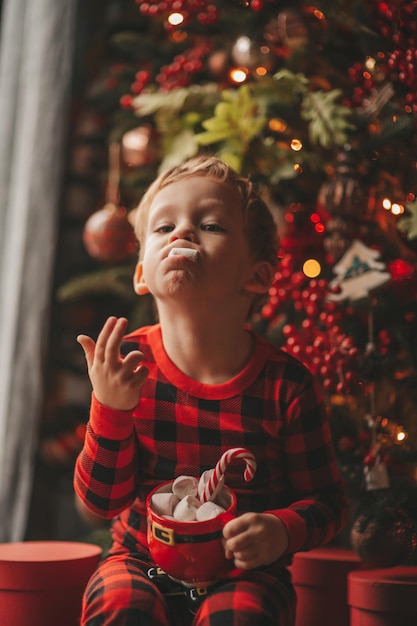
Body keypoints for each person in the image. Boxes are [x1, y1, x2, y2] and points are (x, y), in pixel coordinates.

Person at [74, 155, 348, 626]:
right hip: (141, 558)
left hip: (245, 572)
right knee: (120, 606)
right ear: (141, 273)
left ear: (258, 276)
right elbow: (100, 505)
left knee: (240, 616)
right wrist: (112, 410)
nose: (181, 233)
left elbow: (328, 502)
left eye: (211, 225)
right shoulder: (125, 366)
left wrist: (282, 530)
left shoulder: (287, 386)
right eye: (163, 228)